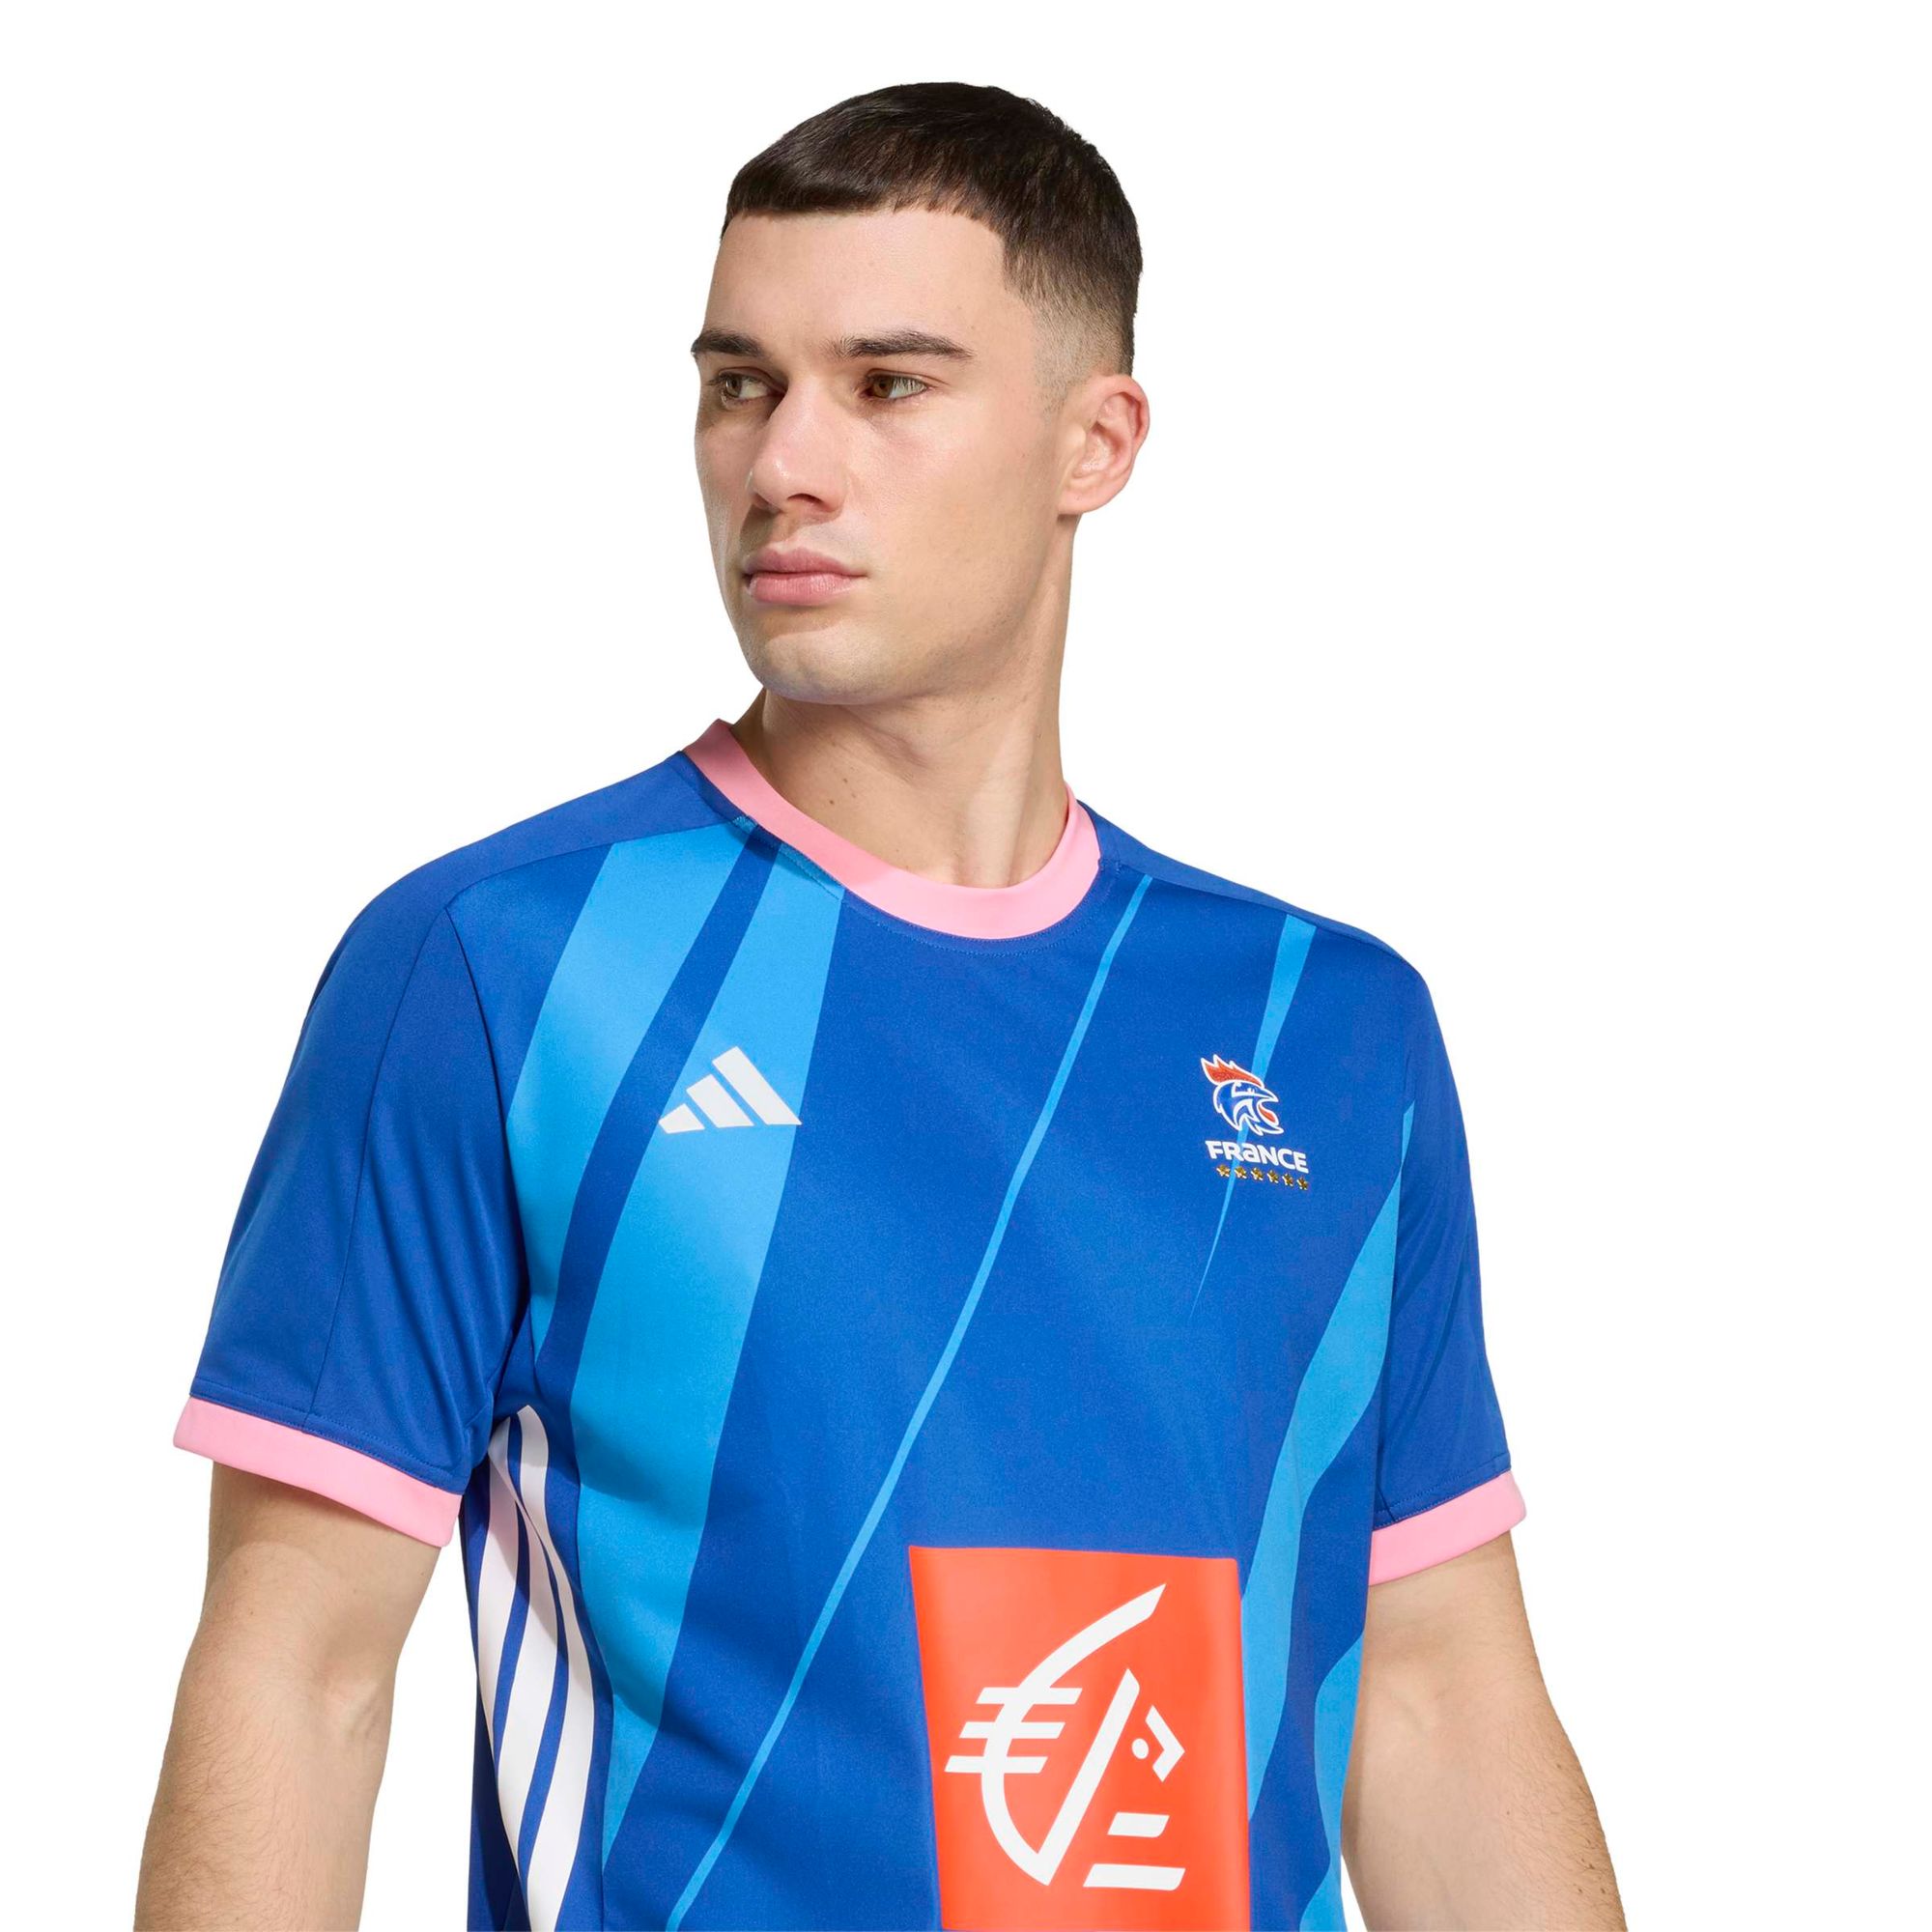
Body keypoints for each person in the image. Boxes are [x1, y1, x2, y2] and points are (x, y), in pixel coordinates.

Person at [137, 80, 1623, 1932]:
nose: (783, 464)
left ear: (1096, 441)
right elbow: (300, 1676)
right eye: (739, 384)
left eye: (888, 384)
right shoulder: (503, 970)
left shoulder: (1326, 1029)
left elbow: (1437, 1696)